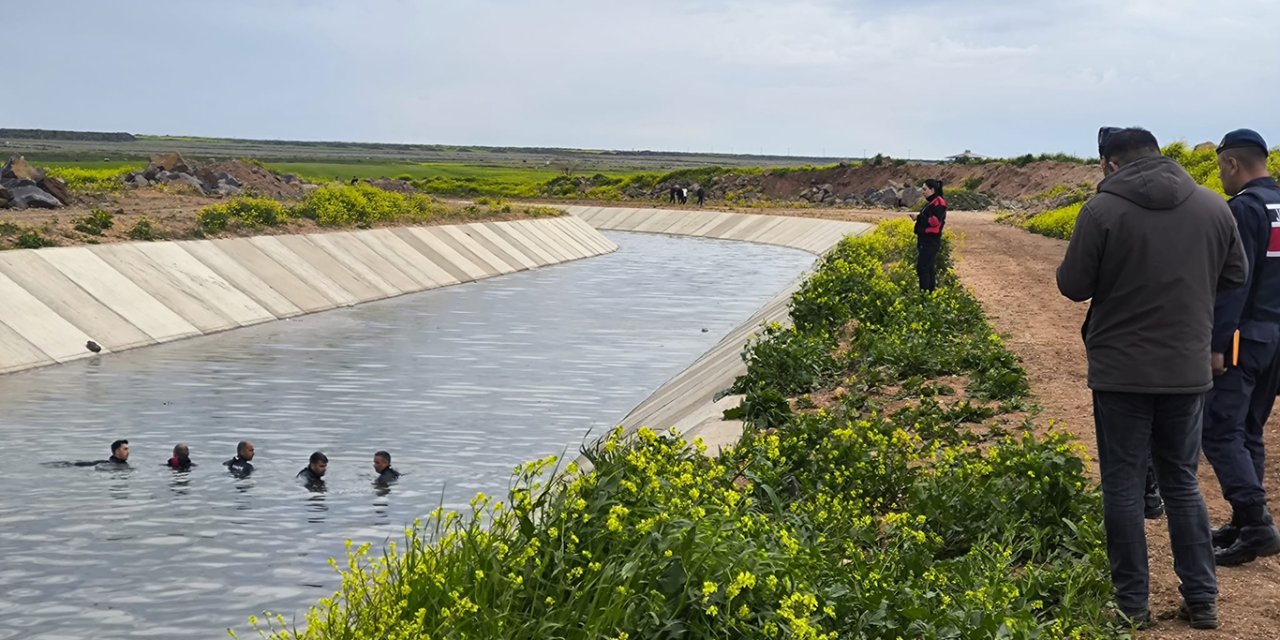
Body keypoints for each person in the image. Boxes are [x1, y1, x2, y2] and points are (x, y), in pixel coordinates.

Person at [1057, 126, 1247, 630]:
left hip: (1121, 371)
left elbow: (1072, 286)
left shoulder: (1101, 211)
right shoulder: (1212, 206)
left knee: (1121, 486)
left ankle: (1131, 606)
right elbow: (1235, 276)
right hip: (1187, 369)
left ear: (1111, 164)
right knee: (1182, 482)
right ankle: (1203, 599)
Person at [1202, 128, 1280, 566]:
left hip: (1242, 339)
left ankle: (1254, 524)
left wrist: (1216, 345)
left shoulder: (1244, 210)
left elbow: (1233, 284)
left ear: (1232, 163)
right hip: (1274, 337)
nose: (1221, 178)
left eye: (1220, 168)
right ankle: (1245, 519)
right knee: (1249, 429)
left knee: (1219, 429)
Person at [910, 179, 946, 292]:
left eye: (925, 189)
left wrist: (919, 217)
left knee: (922, 268)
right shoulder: (932, 202)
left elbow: (935, 222)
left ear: (932, 190)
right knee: (928, 268)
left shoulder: (938, 203)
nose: (923, 192)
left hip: (930, 241)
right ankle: (929, 294)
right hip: (925, 240)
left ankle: (925, 295)